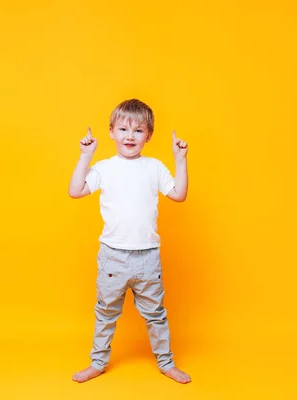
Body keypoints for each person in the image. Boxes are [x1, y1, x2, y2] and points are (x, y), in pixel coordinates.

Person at [68, 99, 191, 384]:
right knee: (106, 312)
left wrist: (180, 159)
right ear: (111, 132)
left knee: (156, 314)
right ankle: (98, 361)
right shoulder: (105, 167)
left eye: (138, 131)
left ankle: (166, 362)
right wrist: (85, 156)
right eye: (123, 129)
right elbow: (76, 190)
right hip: (113, 257)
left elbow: (179, 194)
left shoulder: (154, 167)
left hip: (148, 257)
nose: (129, 136)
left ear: (148, 136)